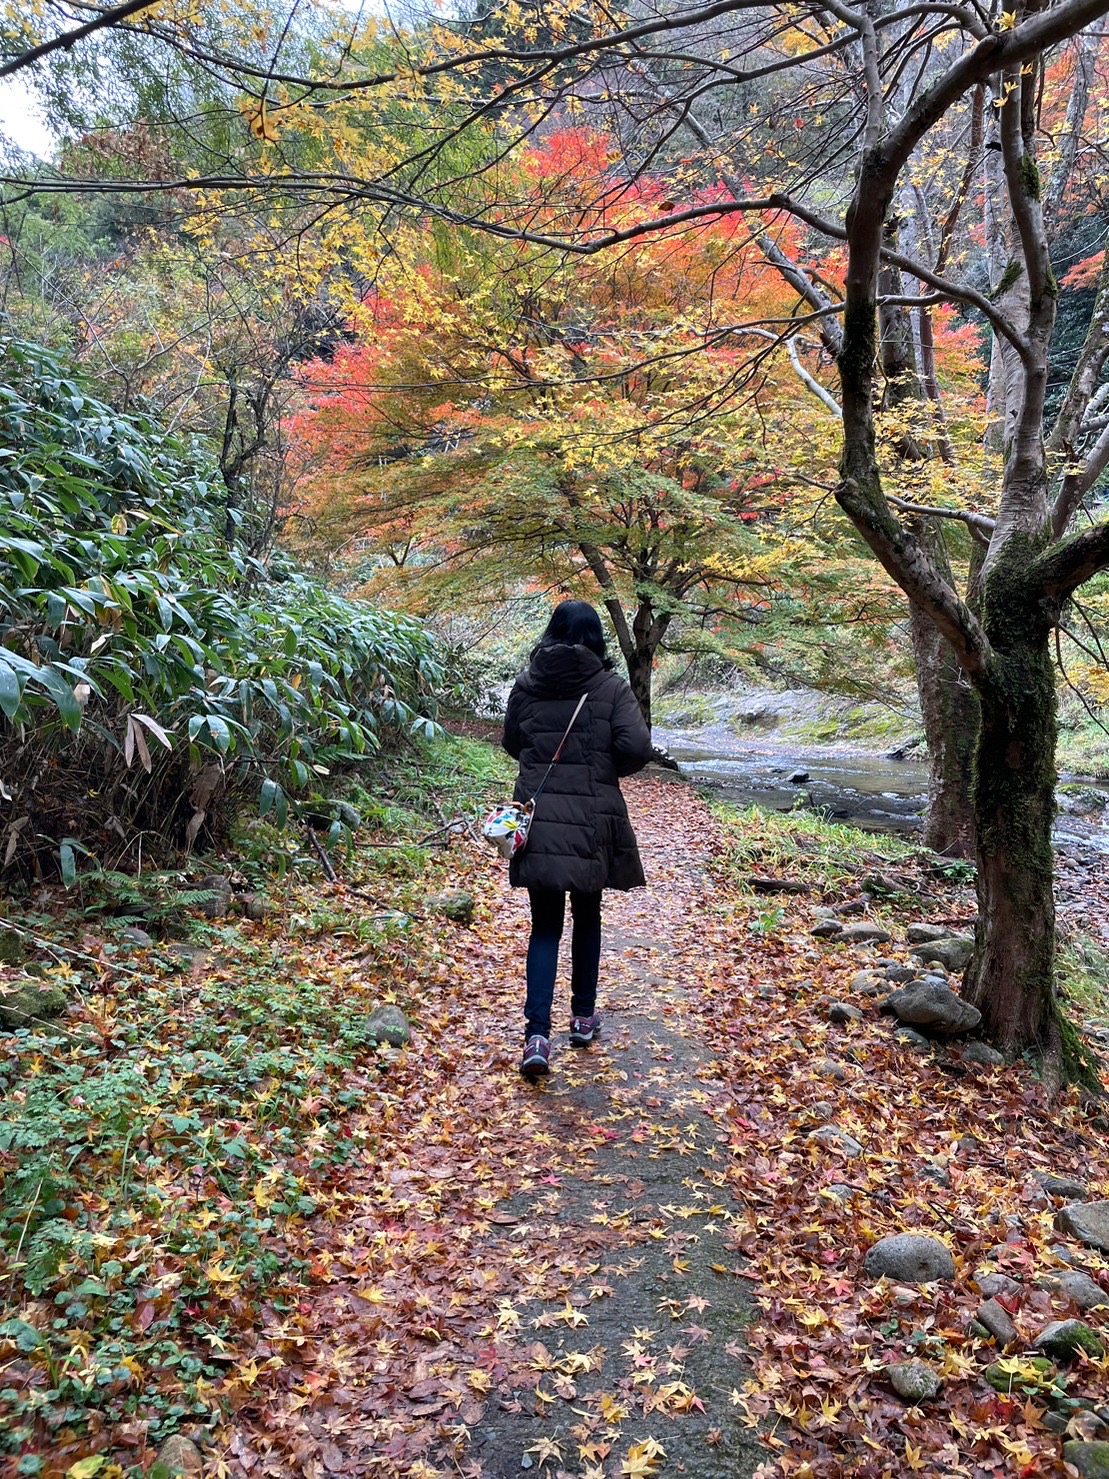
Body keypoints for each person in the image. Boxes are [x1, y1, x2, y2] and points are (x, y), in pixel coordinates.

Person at [502, 600, 653, 1079]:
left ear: (551, 633)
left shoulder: (527, 685)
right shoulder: (610, 687)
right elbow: (637, 748)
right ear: (595, 638)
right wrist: (602, 768)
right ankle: (583, 1019)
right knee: (587, 915)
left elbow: (512, 743)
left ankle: (537, 1037)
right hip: (590, 819)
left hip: (540, 817)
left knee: (544, 925)